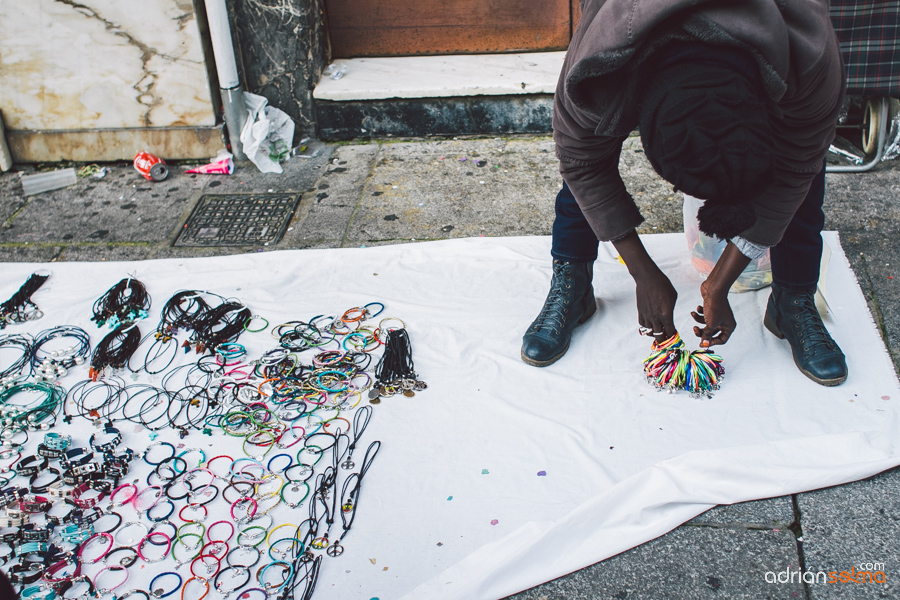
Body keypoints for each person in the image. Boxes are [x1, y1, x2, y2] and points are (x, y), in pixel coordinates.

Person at [521, 0, 848, 386]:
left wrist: (719, 285)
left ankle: (793, 298)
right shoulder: (601, 65)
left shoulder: (807, 58)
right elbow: (582, 162)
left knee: (803, 166)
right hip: (632, 38)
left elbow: (796, 169)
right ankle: (573, 282)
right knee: (587, 152)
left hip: (779, 54)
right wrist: (643, 274)